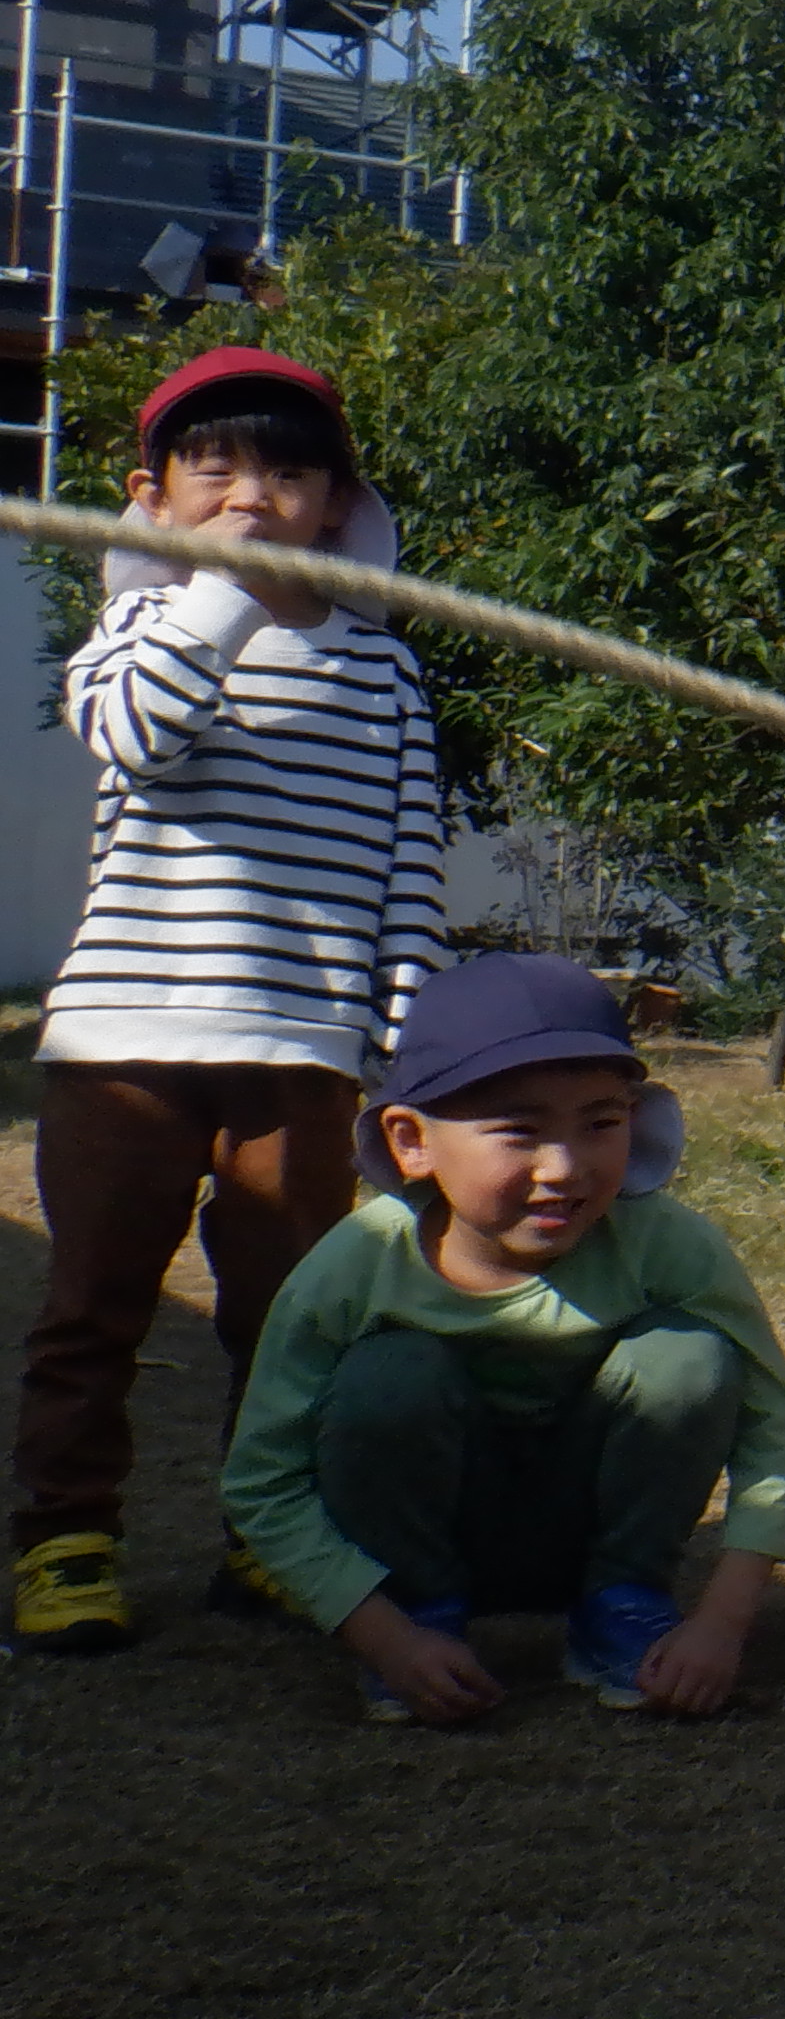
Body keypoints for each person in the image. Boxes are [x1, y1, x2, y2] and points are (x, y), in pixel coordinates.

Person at [14, 347, 445, 1656]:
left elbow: (409, 871)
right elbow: (132, 735)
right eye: (217, 467)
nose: (253, 494)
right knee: (95, 1305)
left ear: (337, 502)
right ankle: (66, 1541)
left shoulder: (381, 672)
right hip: (123, 1044)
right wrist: (216, 593)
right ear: (153, 494)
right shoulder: (139, 632)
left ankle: (271, 1533)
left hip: (302, 1053)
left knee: (292, 1317)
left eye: (288, 472)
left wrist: (406, 1047)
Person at [220, 955, 785, 1725]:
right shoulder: (355, 1266)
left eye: (601, 1124)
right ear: (411, 1140)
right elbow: (261, 1479)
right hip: (415, 1551)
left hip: (586, 1531)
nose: (563, 1168)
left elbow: (774, 1423)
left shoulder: (667, 1245)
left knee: (688, 1357)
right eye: (519, 1131)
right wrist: (383, 1635)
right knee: (389, 1375)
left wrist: (722, 1624)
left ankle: (620, 1607)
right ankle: (427, 1618)